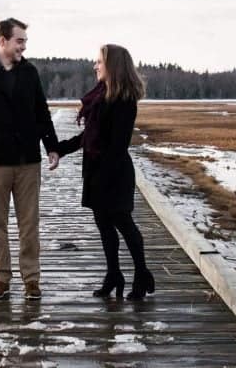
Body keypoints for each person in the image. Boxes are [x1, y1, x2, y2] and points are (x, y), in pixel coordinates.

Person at [0, 18, 60, 301]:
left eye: (25, 42)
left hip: (29, 160)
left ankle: (31, 279)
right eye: (20, 41)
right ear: (2, 40)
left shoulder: (29, 72)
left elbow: (41, 112)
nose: (24, 47)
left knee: (29, 223)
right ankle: (0, 278)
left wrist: (51, 146)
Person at [57, 44, 154, 300]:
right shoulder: (99, 96)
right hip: (95, 171)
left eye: (99, 62)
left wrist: (103, 177)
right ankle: (113, 275)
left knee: (123, 223)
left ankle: (141, 275)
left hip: (114, 173)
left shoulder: (124, 100)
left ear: (112, 65)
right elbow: (88, 136)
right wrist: (59, 149)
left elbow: (117, 145)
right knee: (103, 225)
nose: (95, 66)